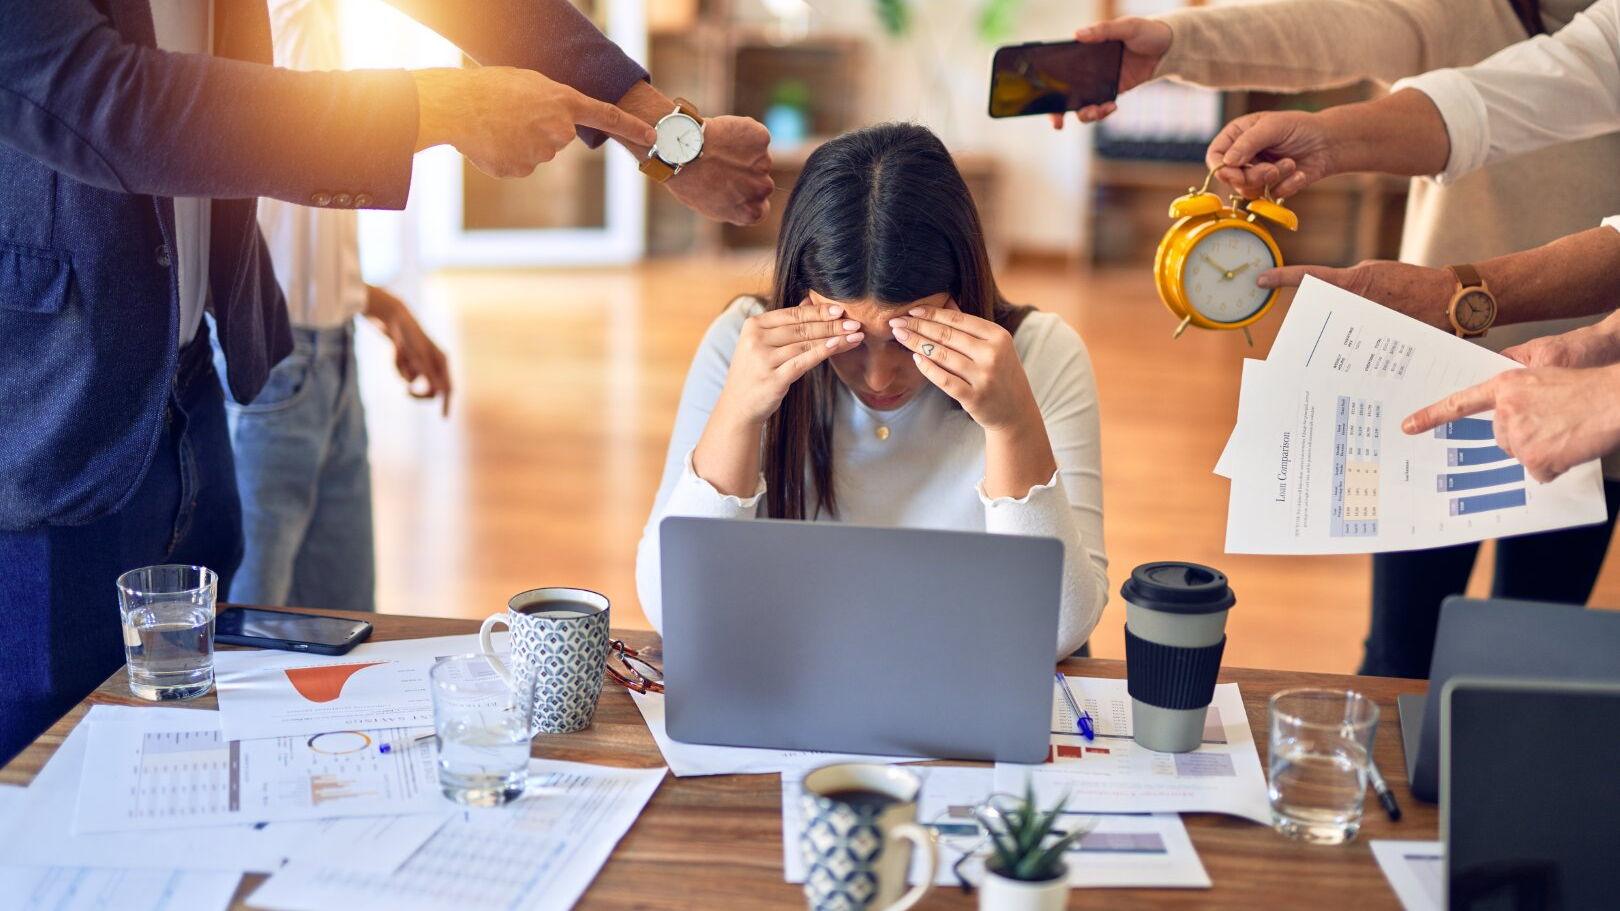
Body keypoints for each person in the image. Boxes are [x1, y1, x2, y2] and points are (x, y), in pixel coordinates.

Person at [0, 0, 772, 764]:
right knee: (39, 774)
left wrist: (663, 130)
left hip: (192, 380)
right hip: (48, 407)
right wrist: (431, 106)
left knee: (188, 746)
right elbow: (99, 98)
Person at [1060, 0, 1620, 677]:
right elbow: (1363, 42)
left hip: (1592, 382)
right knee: (1398, 650)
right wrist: (1183, 44)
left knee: (1533, 655)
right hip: (1433, 365)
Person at [635, 123, 1109, 659]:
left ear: (963, 292)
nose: (879, 378)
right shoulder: (742, 345)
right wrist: (739, 415)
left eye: (911, 337)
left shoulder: (1041, 354)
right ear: (799, 297)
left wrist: (1012, 424)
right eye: (849, 337)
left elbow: (1057, 634)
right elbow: (673, 609)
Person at [1202, 0, 1620, 485]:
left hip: (1576, 367)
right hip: (1547, 352)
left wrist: (1607, 387)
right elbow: (1545, 81)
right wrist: (1326, 138)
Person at [221, 0, 452, 614]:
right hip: (270, 363)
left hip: (335, 353)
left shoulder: (322, 22)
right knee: (249, 637)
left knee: (345, 626)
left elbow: (300, 216)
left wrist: (374, 301)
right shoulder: (263, 21)